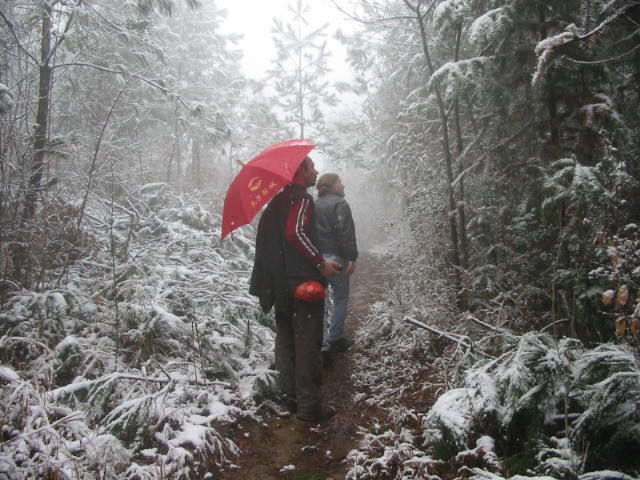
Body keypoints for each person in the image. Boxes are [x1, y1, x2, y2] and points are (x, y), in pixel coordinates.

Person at [249, 156, 342, 422]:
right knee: (308, 344)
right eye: (311, 167)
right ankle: (309, 407)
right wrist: (320, 262)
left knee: (287, 341)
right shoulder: (301, 199)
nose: (316, 171)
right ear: (298, 171)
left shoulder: (276, 202)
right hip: (303, 284)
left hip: (279, 285)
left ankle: (290, 399)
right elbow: (296, 233)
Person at [314, 173, 358, 355]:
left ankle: (320, 341)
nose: (343, 185)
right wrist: (351, 258)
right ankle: (335, 338)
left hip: (318, 260)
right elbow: (345, 233)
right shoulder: (340, 204)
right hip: (337, 257)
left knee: (321, 300)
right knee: (340, 298)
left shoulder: (314, 205)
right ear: (332, 185)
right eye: (340, 182)